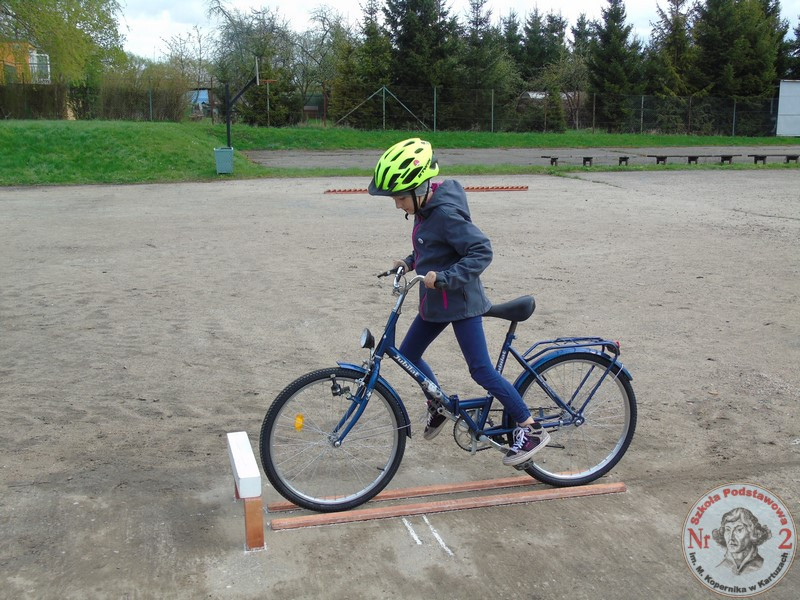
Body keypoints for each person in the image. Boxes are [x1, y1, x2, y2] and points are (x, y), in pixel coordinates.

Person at [367, 137, 549, 467]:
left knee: (481, 370)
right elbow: (433, 248)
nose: (397, 205)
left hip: (461, 303)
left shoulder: (446, 214)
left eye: (399, 197)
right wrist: (408, 262)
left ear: (420, 188)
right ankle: (437, 404)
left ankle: (529, 427)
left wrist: (447, 278)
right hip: (436, 304)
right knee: (407, 354)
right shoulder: (424, 210)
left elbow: (481, 251)